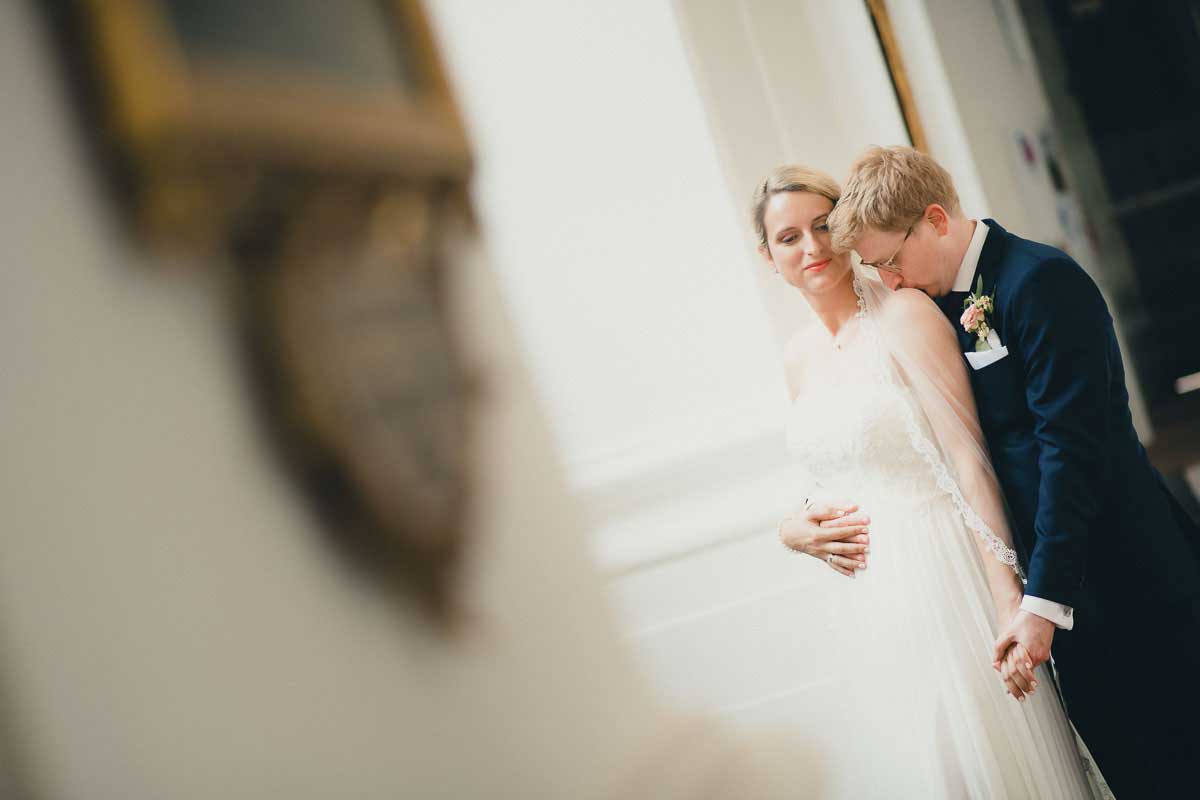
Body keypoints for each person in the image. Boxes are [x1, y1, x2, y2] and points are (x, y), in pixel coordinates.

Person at [826, 145, 1200, 798]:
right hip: (1063, 595)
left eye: (890, 260)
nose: (889, 281)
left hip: (1128, 574)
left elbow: (1068, 451)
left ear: (936, 220)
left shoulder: (1038, 281)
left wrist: (1043, 601)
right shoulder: (937, 303)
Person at [759, 166, 1105, 798]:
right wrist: (792, 527)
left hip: (944, 571)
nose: (811, 247)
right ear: (767, 256)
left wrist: (1007, 597)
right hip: (867, 599)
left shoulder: (907, 314)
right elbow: (827, 471)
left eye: (822, 225)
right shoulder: (796, 356)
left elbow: (968, 459)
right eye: (788, 237)